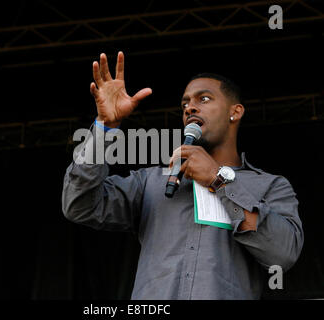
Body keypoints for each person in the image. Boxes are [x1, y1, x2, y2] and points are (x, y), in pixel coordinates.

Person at [62, 52, 304, 299]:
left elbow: (282, 254)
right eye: (185, 103)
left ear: (236, 112)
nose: (190, 107)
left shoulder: (269, 186)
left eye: (204, 99)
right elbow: (79, 205)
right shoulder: (151, 182)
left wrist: (217, 179)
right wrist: (105, 127)